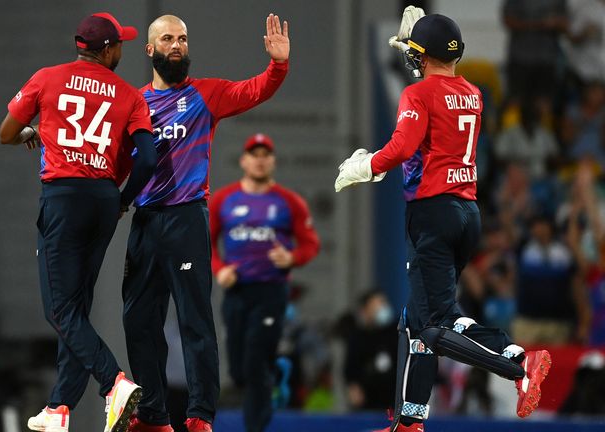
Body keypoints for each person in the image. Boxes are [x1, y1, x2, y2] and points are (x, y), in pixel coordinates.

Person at [335, 10, 552, 432]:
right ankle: (409, 421)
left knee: (436, 325)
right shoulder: (473, 90)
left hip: (431, 213)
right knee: (415, 321)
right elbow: (436, 91)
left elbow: (402, 146)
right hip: (466, 212)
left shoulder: (417, 95)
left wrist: (365, 166)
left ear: (422, 55)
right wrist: (413, 46)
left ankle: (519, 363)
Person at [122, 14, 290, 432]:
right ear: (150, 50)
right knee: (138, 321)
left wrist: (278, 66)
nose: (176, 45)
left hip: (185, 219)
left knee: (194, 319)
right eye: (167, 39)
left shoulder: (205, 94)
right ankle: (153, 414)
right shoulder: (133, 103)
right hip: (144, 221)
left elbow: (254, 90)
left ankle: (199, 416)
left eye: (182, 38)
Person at [0, 12, 157, 432]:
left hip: (64, 196)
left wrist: (32, 132)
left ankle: (114, 382)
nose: (121, 48)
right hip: (103, 199)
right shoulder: (128, 94)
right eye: (119, 42)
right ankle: (59, 407)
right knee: (77, 306)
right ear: (107, 49)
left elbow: (5, 133)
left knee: (59, 308)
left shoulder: (48, 78)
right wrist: (123, 198)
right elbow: (149, 158)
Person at [208, 133, 320, 432]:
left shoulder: (288, 202)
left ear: (273, 161)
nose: (259, 160)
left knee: (256, 358)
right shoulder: (224, 199)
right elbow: (206, 244)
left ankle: (255, 426)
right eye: (254, 154)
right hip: (236, 290)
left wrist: (292, 258)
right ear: (244, 161)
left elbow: (310, 244)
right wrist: (219, 270)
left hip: (271, 290)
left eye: (265, 154)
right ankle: (276, 372)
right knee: (238, 369)